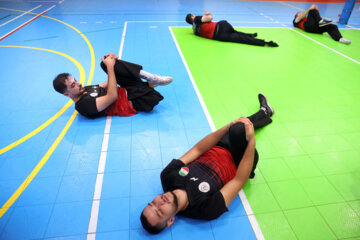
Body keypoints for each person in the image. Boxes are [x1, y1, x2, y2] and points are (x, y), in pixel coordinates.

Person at [140, 93, 274, 234]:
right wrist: (251, 142)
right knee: (239, 130)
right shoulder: (205, 209)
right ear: (170, 221)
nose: (159, 202)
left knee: (237, 126)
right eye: (160, 212)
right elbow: (239, 180)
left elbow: (198, 150)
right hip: (239, 160)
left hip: (220, 146)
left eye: (152, 203)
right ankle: (263, 113)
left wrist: (227, 127)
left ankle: (265, 112)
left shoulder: (168, 176)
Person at [53, 53, 173, 119]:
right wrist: (111, 67)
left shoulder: (85, 89)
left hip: (128, 89)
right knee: (151, 97)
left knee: (104, 62)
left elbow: (109, 83)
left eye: (76, 80)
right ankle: (149, 85)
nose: (79, 83)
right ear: (67, 94)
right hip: (132, 101)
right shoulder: (83, 105)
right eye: (73, 85)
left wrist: (112, 63)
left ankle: (152, 78)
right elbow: (112, 96)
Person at [185, 10, 279, 47]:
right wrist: (208, 14)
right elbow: (210, 18)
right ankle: (249, 35)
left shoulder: (194, 30)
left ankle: (265, 43)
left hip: (220, 37)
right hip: (221, 26)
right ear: (192, 17)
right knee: (235, 32)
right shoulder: (197, 19)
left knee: (241, 39)